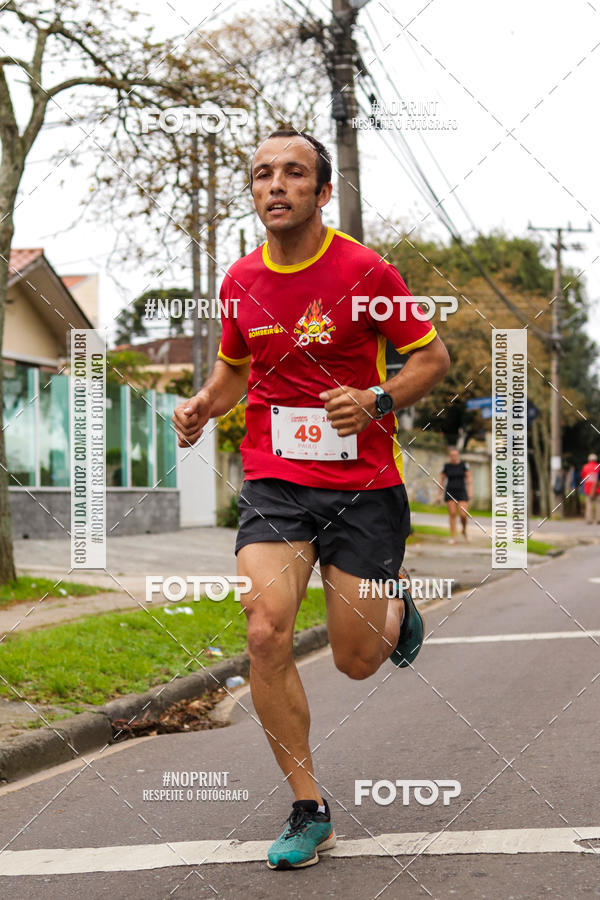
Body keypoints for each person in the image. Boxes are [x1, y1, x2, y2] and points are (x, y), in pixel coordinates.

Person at [172, 130, 450, 870]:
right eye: (262, 173)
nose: (275, 184)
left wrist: (378, 399)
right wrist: (205, 402)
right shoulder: (238, 282)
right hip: (274, 480)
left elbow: (432, 358)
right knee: (265, 631)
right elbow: (236, 369)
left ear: (321, 192)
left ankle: (394, 606)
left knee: (358, 661)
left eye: (294, 173)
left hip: (362, 486)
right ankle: (308, 805)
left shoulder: (368, 271)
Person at [438, 447, 472, 542]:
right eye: (451, 455)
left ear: (458, 455)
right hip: (450, 492)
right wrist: (439, 495)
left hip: (462, 492)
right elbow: (441, 480)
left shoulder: (464, 465)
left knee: (463, 515)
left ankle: (464, 530)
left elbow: (469, 479)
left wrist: (470, 491)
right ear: (450, 456)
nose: (453, 457)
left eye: (455, 455)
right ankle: (453, 537)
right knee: (452, 514)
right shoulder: (446, 466)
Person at [581, 453, 600, 524]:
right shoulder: (598, 467)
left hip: (588, 489)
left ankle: (589, 520)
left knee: (589, 504)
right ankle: (598, 519)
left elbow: (583, 476)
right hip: (598, 489)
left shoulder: (585, 467)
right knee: (598, 504)